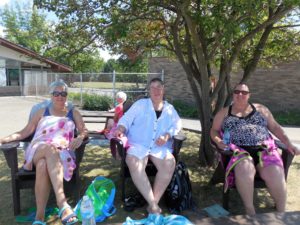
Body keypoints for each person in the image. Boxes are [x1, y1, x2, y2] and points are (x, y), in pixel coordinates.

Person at [0, 80, 88, 225]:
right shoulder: (42, 112)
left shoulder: (74, 113)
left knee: (42, 165)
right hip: (39, 148)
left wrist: (80, 137)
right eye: (56, 93)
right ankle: (63, 204)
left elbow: (84, 129)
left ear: (67, 95)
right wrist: (4, 139)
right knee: (48, 150)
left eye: (63, 93)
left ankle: (39, 217)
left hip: (62, 154)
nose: (60, 96)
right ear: (51, 95)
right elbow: (25, 132)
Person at [210, 83, 300, 215]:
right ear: (233, 94)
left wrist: (289, 144)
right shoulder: (224, 112)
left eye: (244, 92)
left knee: (274, 172)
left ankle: (282, 213)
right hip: (239, 151)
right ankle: (250, 211)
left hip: (264, 149)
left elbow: (275, 128)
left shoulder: (260, 109)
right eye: (237, 92)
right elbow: (214, 130)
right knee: (244, 168)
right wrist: (218, 142)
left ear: (249, 95)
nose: (240, 94)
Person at [114, 77, 182, 214]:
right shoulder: (140, 104)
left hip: (159, 147)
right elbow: (126, 119)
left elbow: (178, 125)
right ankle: (153, 205)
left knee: (169, 163)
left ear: (163, 89)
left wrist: (167, 135)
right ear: (149, 90)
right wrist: (120, 128)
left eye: (159, 87)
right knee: (133, 161)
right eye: (153, 87)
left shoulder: (170, 109)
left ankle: (152, 203)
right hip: (139, 144)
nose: (156, 90)